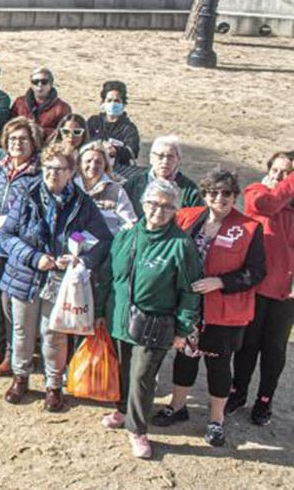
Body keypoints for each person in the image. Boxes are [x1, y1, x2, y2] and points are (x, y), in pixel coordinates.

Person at [155, 169, 266, 446]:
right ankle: (178, 407)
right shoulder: (188, 218)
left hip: (224, 312)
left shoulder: (250, 227)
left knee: (218, 365)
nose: (220, 198)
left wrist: (220, 282)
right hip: (190, 308)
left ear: (235, 196)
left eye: (227, 193)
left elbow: (257, 272)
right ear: (204, 195)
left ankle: (216, 420)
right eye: (213, 193)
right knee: (185, 357)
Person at [0, 146, 112, 411]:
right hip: (25, 274)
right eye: (48, 168)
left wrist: (80, 259)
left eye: (60, 169)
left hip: (61, 280)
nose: (52, 174)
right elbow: (7, 235)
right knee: (22, 330)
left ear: (72, 172)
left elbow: (103, 240)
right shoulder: (27, 195)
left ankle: (53, 385)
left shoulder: (83, 203)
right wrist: (32, 256)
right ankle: (21, 377)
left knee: (53, 333)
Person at [103, 178, 202, 460]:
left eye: (167, 206)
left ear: (176, 210)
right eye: (153, 204)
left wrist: (184, 329)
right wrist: (101, 312)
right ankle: (123, 410)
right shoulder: (127, 235)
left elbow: (190, 291)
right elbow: (110, 274)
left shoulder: (181, 245)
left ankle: (138, 430)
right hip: (120, 316)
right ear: (143, 204)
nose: (159, 210)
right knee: (123, 369)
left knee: (142, 376)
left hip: (155, 323)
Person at [0, 117, 44, 373]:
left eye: (23, 139)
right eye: (13, 139)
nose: (17, 143)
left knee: (14, 307)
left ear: (33, 142)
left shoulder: (39, 174)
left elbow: (39, 215)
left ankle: (15, 356)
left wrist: (12, 230)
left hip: (19, 251)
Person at [230, 150, 294, 426]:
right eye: (277, 171)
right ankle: (238, 392)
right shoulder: (256, 192)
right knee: (247, 345)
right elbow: (267, 205)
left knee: (274, 349)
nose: (280, 177)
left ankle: (264, 400)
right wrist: (289, 183)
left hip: (286, 291)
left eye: (287, 172)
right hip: (254, 287)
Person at [123, 135, 202, 220]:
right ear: (151, 158)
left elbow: (196, 220)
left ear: (178, 159)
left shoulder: (189, 190)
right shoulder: (133, 184)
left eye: (170, 157)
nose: (165, 161)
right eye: (160, 156)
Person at [78, 141, 138, 233]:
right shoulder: (71, 188)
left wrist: (111, 236)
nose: (93, 165)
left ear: (105, 166)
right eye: (88, 161)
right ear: (79, 164)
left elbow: (130, 223)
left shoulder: (116, 191)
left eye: (98, 162)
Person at [87, 80, 142, 171]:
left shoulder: (129, 128)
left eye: (117, 101)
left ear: (123, 104)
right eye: (109, 100)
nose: (113, 104)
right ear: (102, 103)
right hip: (92, 166)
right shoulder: (93, 122)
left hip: (118, 169)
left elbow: (133, 152)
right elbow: (84, 141)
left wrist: (116, 150)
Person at [12, 67, 70, 143]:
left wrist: (41, 131)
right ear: (31, 84)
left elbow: (65, 134)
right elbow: (10, 125)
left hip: (48, 147)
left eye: (44, 82)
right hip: (21, 144)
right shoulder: (20, 102)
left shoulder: (62, 108)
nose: (39, 85)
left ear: (51, 84)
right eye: (35, 82)